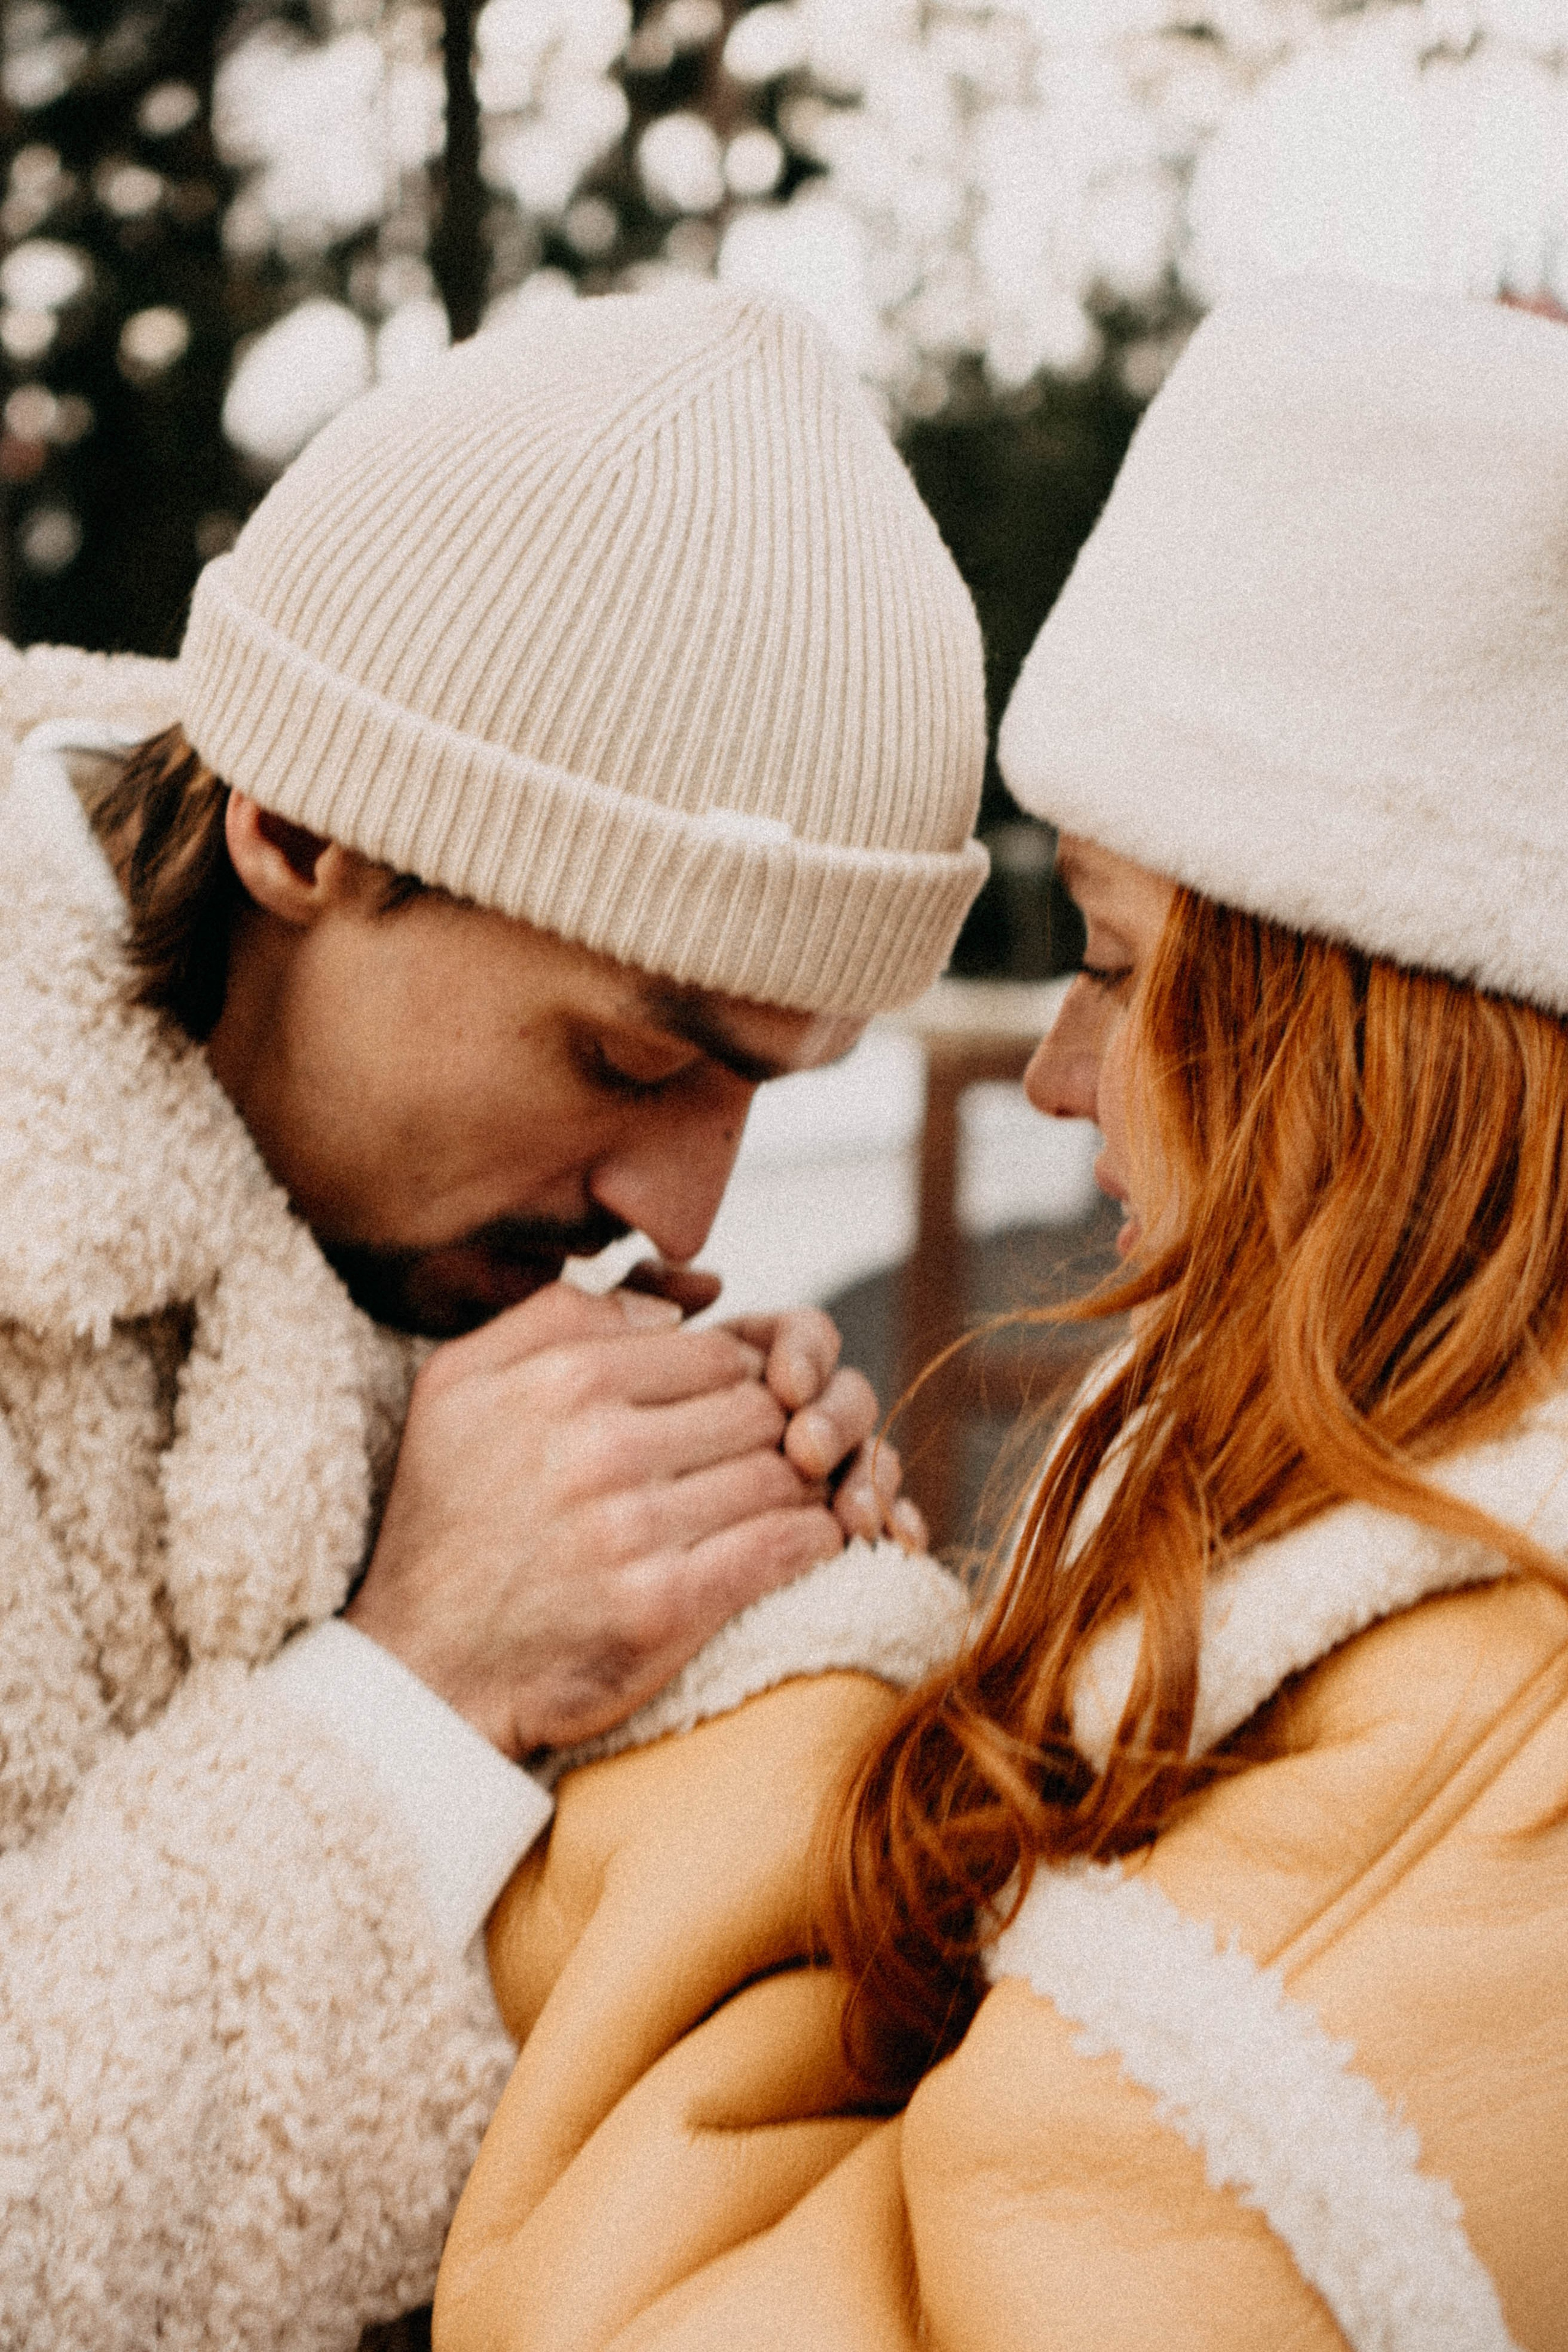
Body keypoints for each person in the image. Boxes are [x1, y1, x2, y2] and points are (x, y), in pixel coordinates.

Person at [435, 277, 1568, 2352]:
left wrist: (770, 1680)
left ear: (1379, 1046)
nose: (1055, 1069)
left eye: (1117, 962)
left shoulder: (1472, 1778)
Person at [0, 286, 989, 2350]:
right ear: (301, 830)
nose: (683, 1214)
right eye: (634, 1061)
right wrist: (427, 1689)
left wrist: (734, 1614)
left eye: (765, 1090)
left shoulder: (406, 1229)